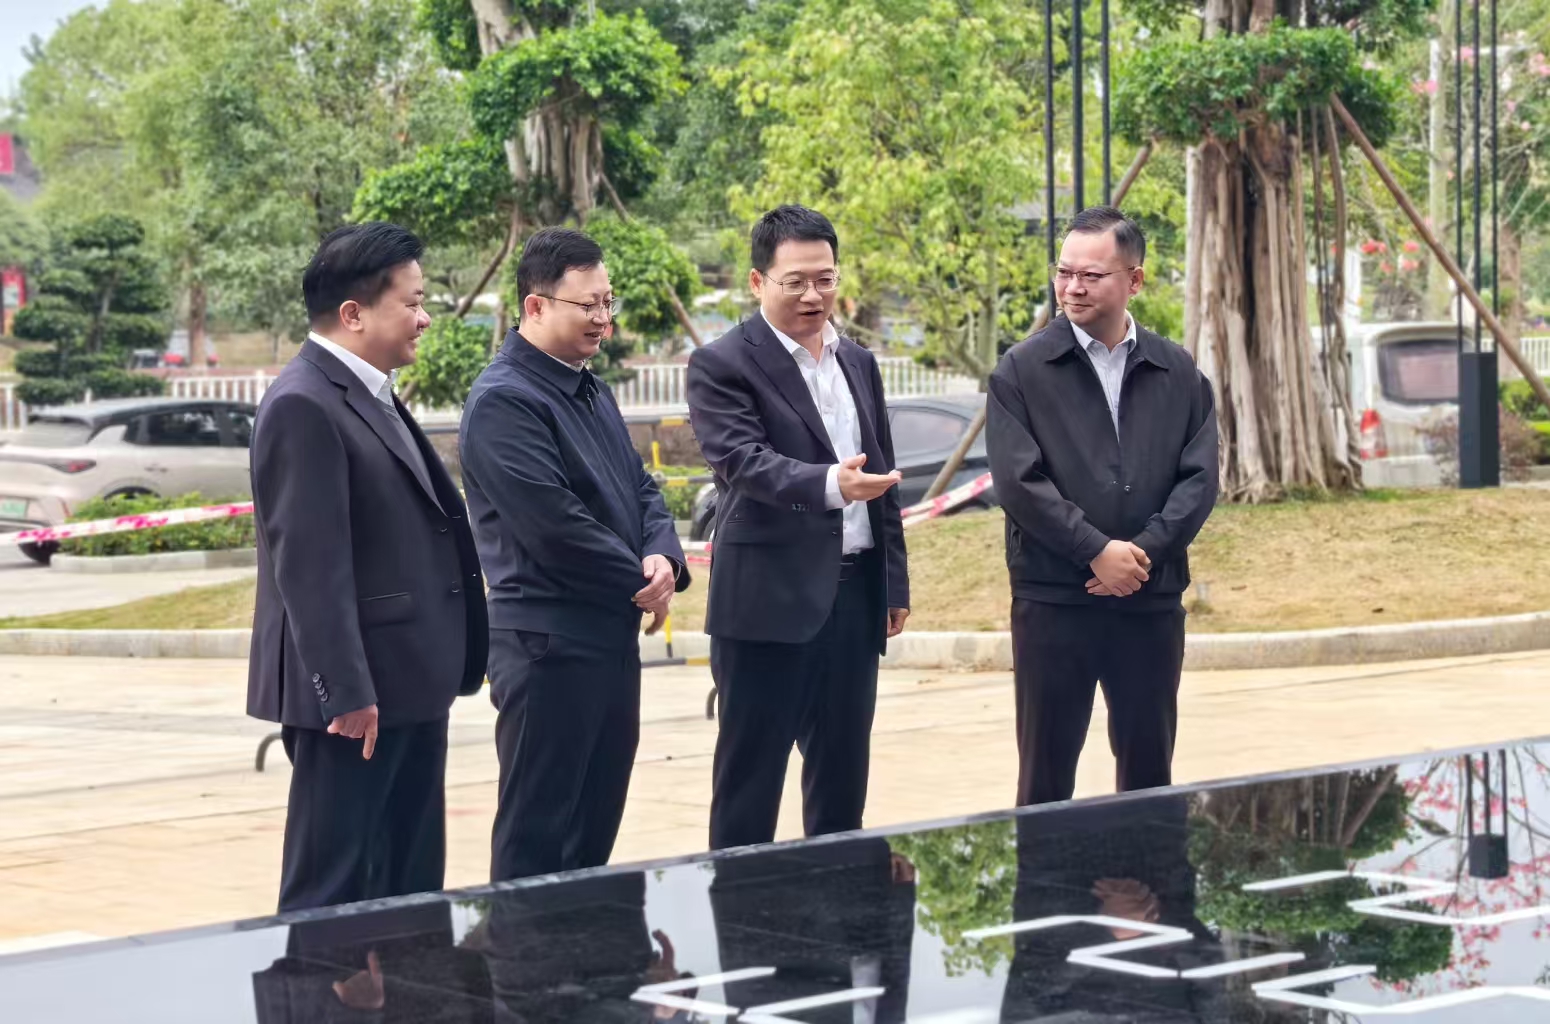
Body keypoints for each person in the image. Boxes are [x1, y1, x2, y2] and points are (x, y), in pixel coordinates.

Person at [247, 222, 488, 913]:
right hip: (358, 704)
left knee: (407, 883)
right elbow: (309, 568)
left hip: (408, 681)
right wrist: (346, 693)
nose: (425, 317)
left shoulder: (367, 391)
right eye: (412, 302)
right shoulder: (303, 403)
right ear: (353, 314)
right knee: (333, 890)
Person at [459, 227, 689, 882]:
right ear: (535, 306)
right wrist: (639, 579)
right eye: (587, 305)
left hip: (608, 637)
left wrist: (663, 559)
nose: (603, 318)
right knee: (539, 838)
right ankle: (524, 950)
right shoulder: (505, 400)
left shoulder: (590, 388)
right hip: (548, 646)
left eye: (607, 302)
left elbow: (641, 489)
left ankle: (590, 948)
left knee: (593, 829)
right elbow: (554, 527)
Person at [686, 204, 910, 851]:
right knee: (750, 784)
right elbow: (742, 461)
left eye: (825, 279)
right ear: (758, 281)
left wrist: (893, 584)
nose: (813, 295)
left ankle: (838, 905)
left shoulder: (858, 361)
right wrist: (830, 484)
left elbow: (885, 477)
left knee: (842, 779)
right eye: (796, 282)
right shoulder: (722, 364)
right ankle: (741, 907)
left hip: (855, 597)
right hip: (766, 603)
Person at [985, 206, 1219, 807]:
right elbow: (1018, 482)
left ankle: (1148, 869)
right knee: (1045, 779)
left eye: (1091, 275)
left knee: (1148, 774)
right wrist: (1094, 551)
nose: (1072, 287)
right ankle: (1044, 875)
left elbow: (1199, 480)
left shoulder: (1177, 370)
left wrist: (1142, 554)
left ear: (1134, 280)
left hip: (1150, 599)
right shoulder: (1021, 371)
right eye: (1064, 273)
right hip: (1054, 602)